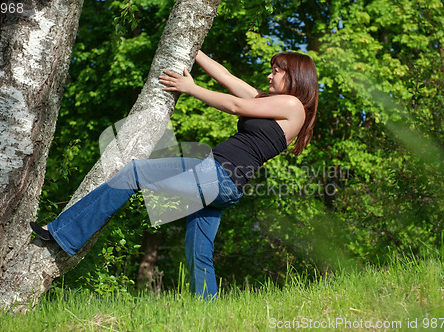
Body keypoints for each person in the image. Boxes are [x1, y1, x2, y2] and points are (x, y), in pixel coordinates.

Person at [30, 50, 319, 298]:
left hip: (217, 174)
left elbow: (235, 105)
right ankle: (206, 313)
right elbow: (228, 78)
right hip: (225, 186)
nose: (270, 76)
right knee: (199, 251)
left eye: (276, 71)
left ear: (294, 77)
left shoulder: (292, 105)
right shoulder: (269, 102)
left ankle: (63, 234)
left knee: (134, 173)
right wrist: (195, 52)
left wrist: (190, 88)